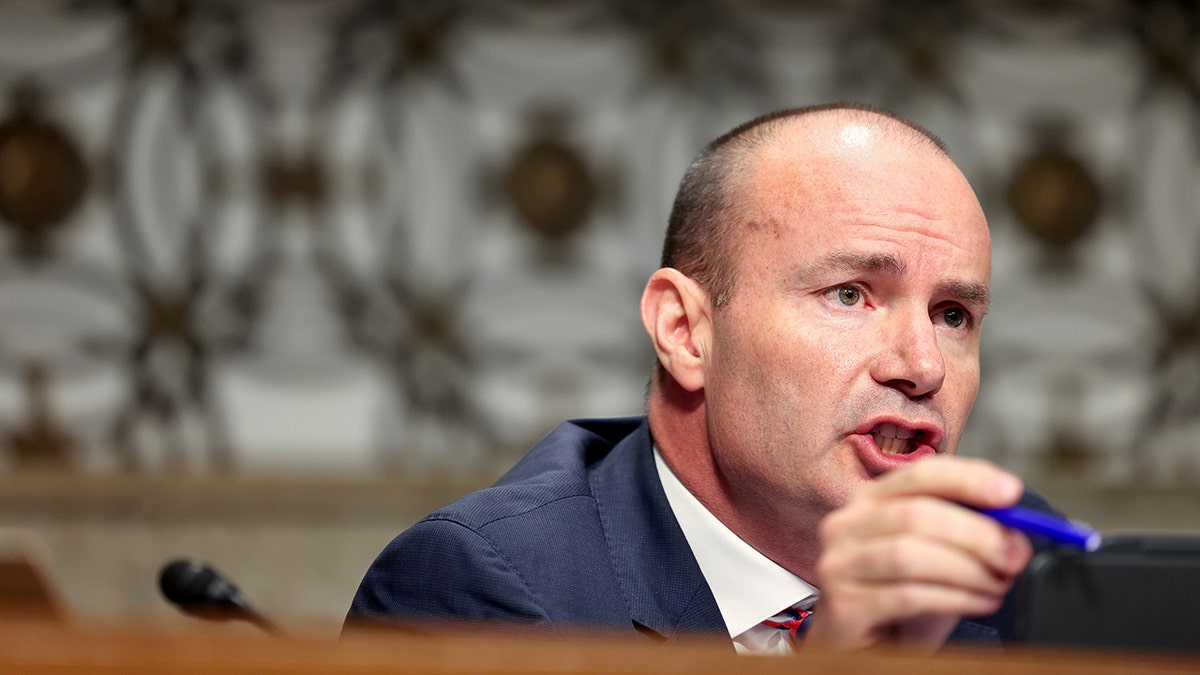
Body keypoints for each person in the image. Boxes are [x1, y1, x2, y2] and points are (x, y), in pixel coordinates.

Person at [345, 103, 1057, 653]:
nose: (923, 364)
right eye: (850, 294)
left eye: (954, 314)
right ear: (686, 331)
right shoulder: (483, 586)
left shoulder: (1019, 586)